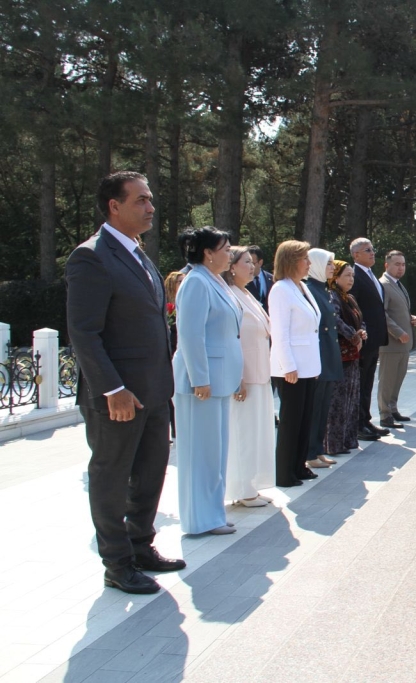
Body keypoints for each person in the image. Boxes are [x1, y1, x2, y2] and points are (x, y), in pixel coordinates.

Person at [66, 171, 184, 595]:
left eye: (150, 199)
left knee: (150, 474)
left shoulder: (138, 253)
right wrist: (112, 389)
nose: (151, 207)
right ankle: (116, 564)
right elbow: (84, 333)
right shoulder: (91, 257)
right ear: (114, 206)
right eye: (141, 200)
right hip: (119, 396)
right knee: (112, 478)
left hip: (153, 391)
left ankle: (140, 547)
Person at [173, 227, 243, 536]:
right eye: (225, 249)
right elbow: (190, 335)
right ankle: (200, 519)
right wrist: (199, 378)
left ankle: (213, 513)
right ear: (208, 253)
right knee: (200, 454)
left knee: (215, 453)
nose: (230, 254)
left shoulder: (216, 280)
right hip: (202, 384)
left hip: (220, 379)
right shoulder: (196, 282)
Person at [223, 246, 275, 507]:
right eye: (246, 262)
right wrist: (237, 376)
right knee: (243, 433)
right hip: (245, 376)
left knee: (256, 433)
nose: (252, 266)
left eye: (252, 262)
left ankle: (251, 484)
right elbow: (231, 338)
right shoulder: (229, 295)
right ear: (232, 267)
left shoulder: (246, 293)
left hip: (260, 373)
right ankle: (242, 489)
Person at [269, 240, 322, 487]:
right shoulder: (281, 289)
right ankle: (284, 473)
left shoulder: (301, 287)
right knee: (291, 422)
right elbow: (279, 332)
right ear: (291, 261)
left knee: (304, 419)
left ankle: (299, 466)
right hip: (291, 369)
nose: (309, 263)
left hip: (307, 366)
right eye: (304, 259)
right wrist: (288, 365)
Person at [304, 248, 343, 470]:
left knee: (323, 406)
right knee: (315, 407)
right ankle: (310, 453)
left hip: (328, 354)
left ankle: (318, 450)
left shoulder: (322, 288)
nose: (332, 267)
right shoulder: (310, 289)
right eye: (328, 263)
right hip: (319, 355)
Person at [349, 237, 389, 441]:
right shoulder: (354, 275)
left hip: (374, 339)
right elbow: (353, 308)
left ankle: (365, 420)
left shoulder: (370, 274)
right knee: (361, 382)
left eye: (373, 249)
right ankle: (357, 425)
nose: (373, 253)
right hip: (363, 340)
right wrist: (359, 333)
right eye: (367, 250)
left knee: (368, 383)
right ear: (356, 255)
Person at [324, 260, 366, 455]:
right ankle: (334, 443)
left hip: (353, 355)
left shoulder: (349, 298)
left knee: (351, 398)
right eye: (347, 275)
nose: (351, 279)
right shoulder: (332, 296)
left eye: (352, 276)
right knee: (338, 402)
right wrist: (353, 335)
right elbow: (335, 320)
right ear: (336, 277)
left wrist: (362, 332)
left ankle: (348, 440)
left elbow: (360, 319)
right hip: (340, 355)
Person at [378, 250, 416, 428]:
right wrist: (398, 332)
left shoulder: (398, 284)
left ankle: (392, 409)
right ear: (386, 265)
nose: (401, 268)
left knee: (397, 379)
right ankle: (384, 414)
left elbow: (398, 310)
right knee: (387, 381)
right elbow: (382, 314)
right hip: (391, 344)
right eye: (397, 264)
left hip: (403, 345)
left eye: (403, 264)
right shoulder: (383, 285)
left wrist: (411, 318)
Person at [164, 271, 185, 440]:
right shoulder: (167, 306)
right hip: (170, 351)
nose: (183, 283)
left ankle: (178, 428)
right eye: (179, 281)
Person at [244, 245, 273, 311]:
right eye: (247, 262)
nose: (250, 266)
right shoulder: (242, 280)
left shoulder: (272, 279)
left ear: (260, 262)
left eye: (252, 263)